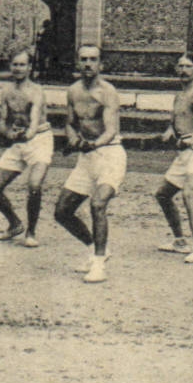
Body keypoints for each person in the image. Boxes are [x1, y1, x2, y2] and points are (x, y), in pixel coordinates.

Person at [55, 44, 125, 284]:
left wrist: (93, 144)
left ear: (100, 64)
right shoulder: (73, 91)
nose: (88, 64)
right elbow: (70, 123)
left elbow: (110, 130)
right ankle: (96, 246)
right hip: (87, 158)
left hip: (110, 155)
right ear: (77, 62)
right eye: (83, 59)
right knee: (62, 212)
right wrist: (73, 138)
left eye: (93, 59)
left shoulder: (108, 92)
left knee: (98, 205)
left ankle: (98, 264)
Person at [0, 47, 52, 248]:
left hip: (39, 139)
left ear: (30, 67)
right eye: (15, 64)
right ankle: (14, 224)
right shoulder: (6, 91)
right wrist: (9, 134)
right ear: (10, 66)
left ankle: (31, 232)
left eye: (23, 64)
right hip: (18, 141)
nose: (18, 68)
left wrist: (25, 134)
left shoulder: (36, 91)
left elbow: (33, 123)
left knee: (34, 185)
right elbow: (2, 121)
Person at [154, 52, 193, 264]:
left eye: (188, 66)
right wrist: (169, 132)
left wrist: (192, 140)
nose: (183, 70)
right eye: (180, 66)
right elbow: (176, 121)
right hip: (183, 152)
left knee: (188, 192)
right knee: (162, 194)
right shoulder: (179, 95)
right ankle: (180, 241)